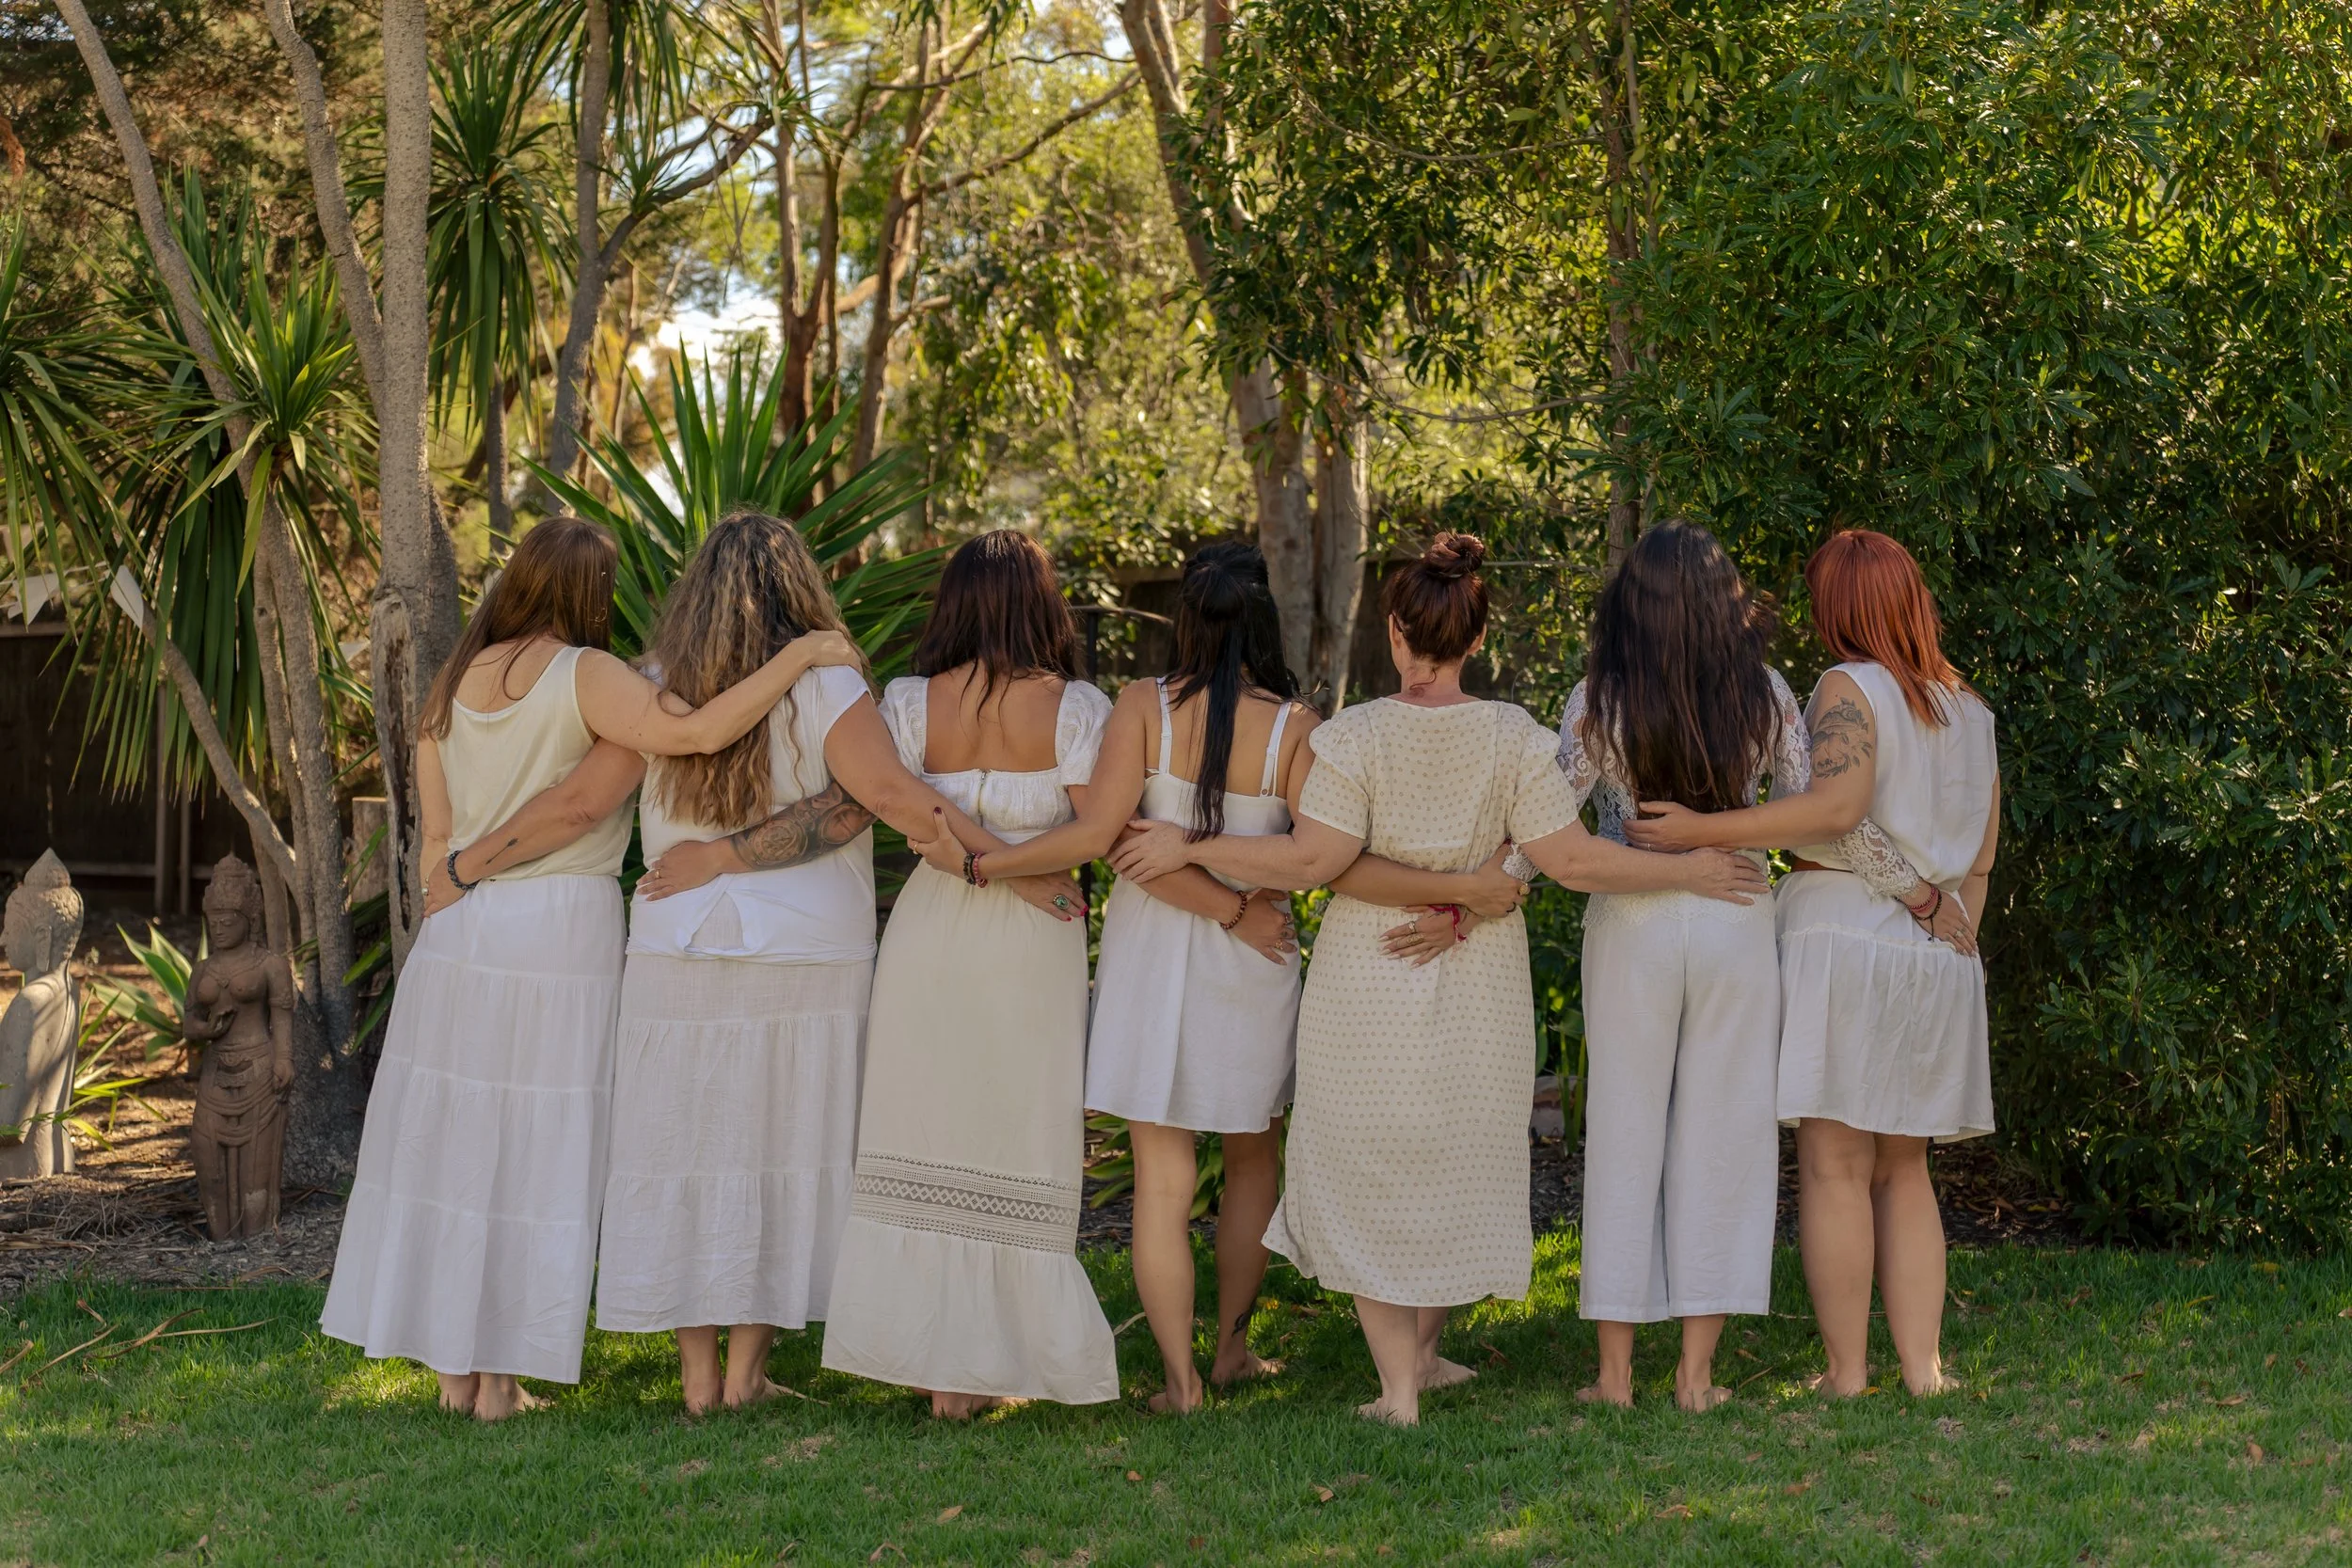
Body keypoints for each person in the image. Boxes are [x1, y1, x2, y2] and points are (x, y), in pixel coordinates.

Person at [1112, 532, 1771, 1425]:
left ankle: (1403, 1377)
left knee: (1373, 1164)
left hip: (1369, 974)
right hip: (1478, 980)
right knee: (1463, 1156)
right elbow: (1572, 858)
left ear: (1394, 632)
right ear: (1476, 639)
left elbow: (1312, 860)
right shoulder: (1515, 737)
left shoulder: (1352, 737)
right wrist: (1688, 868)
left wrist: (1188, 838)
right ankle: (1418, 1360)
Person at [915, 540, 1526, 1414]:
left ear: (1186, 622)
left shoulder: (1140, 707)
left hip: (1149, 961)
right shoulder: (1298, 728)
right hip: (1256, 957)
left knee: (1162, 1182)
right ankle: (1232, 1348)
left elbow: (1120, 843)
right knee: (1251, 1161)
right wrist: (1240, 909)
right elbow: (1317, 854)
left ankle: (1181, 1379)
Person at [320, 516, 859, 1421]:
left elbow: (435, 841)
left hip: (455, 935)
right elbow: (666, 754)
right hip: (553, 929)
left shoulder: (449, 689)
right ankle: (498, 1381)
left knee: (454, 1142)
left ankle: (459, 1374)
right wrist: (800, 651)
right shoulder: (589, 675)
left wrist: (457, 873)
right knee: (535, 1147)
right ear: (586, 595)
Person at [572, 512, 1057, 1415]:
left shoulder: (653, 687)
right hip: (804, 951)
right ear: (801, 592)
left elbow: (587, 799)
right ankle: (749, 1371)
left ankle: (698, 1378)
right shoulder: (828, 683)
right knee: (780, 1145)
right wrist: (1008, 866)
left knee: (686, 1145)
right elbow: (879, 797)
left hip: (678, 940)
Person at [1557, 521, 1933, 1411]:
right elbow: (1821, 814)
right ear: (1727, 603)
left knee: (1624, 1131)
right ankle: (1695, 1376)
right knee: (1724, 1139)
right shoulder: (1765, 692)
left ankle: (1614, 1378)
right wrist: (1919, 892)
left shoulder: (1598, 697)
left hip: (1631, 922)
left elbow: (1541, 819)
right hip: (1735, 918)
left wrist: (1471, 892)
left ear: (1630, 603)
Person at [1627, 528, 1997, 1397]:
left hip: (1846, 934)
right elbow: (1980, 856)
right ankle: (1924, 1368)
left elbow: (1833, 811)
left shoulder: (1848, 686)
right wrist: (1949, 932)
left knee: (1835, 1163)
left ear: (1842, 608)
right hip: (1941, 949)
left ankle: (1847, 1371)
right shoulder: (1970, 709)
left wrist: (1700, 829)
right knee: (1908, 1166)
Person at [818, 530, 1122, 1418]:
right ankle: (977, 1364)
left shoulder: (909, 704)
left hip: (932, 930)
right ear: (1041, 603)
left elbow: (921, 818)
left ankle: (937, 1362)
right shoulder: (1074, 710)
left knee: (932, 1128)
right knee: (1012, 1128)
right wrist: (1019, 875)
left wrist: (979, 864)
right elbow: (1094, 835)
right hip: (1032, 938)